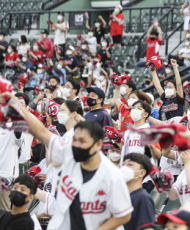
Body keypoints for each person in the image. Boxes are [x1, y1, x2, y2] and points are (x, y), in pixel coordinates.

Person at [5, 92, 133, 229]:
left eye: (82, 141)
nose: (76, 144)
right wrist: (14, 103)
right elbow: (41, 132)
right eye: (75, 140)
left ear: (98, 145)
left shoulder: (111, 175)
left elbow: (124, 215)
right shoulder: (69, 152)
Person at [121, 153, 155, 230]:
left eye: (130, 165)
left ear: (142, 173)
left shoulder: (142, 198)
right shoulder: (120, 195)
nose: (124, 168)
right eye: (123, 165)